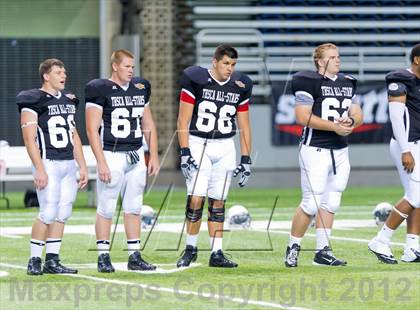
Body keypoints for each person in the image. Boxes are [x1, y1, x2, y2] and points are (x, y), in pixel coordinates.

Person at [284, 43, 363, 267]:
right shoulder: (307, 81)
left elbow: (357, 112)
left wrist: (351, 121)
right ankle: (293, 247)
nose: (338, 60)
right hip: (315, 149)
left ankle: (322, 251)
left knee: (332, 201)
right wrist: (334, 127)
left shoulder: (348, 82)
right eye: (332, 57)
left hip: (340, 150)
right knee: (311, 203)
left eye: (338, 56)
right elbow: (302, 116)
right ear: (320, 61)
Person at [176, 44, 252, 268]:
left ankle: (216, 252)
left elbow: (244, 126)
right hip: (199, 142)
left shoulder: (241, 85)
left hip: (226, 145)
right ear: (215, 62)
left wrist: (246, 159)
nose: (230, 68)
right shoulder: (195, 78)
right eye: (226, 63)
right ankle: (190, 248)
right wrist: (184, 151)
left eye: (233, 64)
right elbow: (183, 120)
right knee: (196, 198)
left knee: (218, 201)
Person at [85, 49, 159, 273]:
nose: (131, 70)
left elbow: (148, 123)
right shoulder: (99, 88)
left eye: (133, 67)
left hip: (136, 154)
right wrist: (101, 162)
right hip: (112, 153)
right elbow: (91, 129)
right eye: (126, 66)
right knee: (107, 207)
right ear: (115, 66)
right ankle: (103, 256)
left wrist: (154, 154)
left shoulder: (140, 87)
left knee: (134, 207)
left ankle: (134, 255)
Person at [17, 59, 88, 275]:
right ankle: (34, 260)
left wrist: (82, 165)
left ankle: (52, 260)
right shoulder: (33, 99)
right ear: (46, 76)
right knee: (47, 212)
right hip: (48, 162)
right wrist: (39, 168)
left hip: (67, 163)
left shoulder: (69, 99)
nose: (63, 75)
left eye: (64, 71)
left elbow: (74, 135)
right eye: (58, 72)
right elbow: (29, 139)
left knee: (63, 212)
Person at [368, 43, 420, 264]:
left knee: (417, 197)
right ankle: (381, 239)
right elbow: (397, 117)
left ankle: (412, 247)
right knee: (416, 196)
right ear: (417, 59)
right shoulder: (401, 79)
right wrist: (406, 149)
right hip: (407, 144)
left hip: (417, 143)